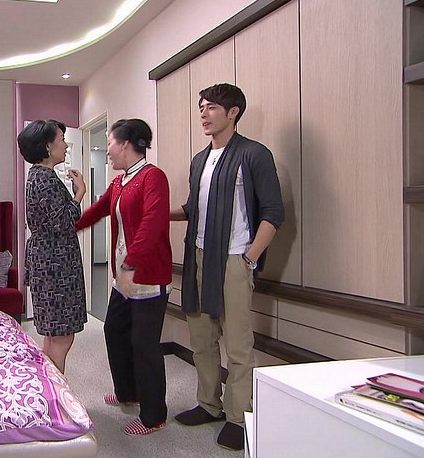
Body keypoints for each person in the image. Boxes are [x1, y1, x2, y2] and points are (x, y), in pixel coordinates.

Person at [171, 83, 284, 451]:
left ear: (233, 112)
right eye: (201, 107)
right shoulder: (199, 160)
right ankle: (209, 404)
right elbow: (193, 209)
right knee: (201, 337)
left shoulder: (254, 154)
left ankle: (238, 416)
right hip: (199, 255)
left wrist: (250, 257)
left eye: (212, 107)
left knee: (237, 344)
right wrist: (157, 214)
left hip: (235, 258)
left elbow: (273, 213)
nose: (203, 114)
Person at [75, 118, 171, 436]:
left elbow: (152, 224)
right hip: (124, 278)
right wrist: (70, 227)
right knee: (114, 330)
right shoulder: (119, 182)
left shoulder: (153, 177)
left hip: (148, 276)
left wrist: (130, 265)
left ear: (125, 144)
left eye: (110, 144)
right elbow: (99, 210)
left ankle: (154, 415)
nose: (108, 151)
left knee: (144, 344)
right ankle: (128, 392)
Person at [19, 119, 87, 374]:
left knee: (53, 335)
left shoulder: (37, 175)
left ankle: (47, 388)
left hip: (48, 260)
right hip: (55, 264)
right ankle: (56, 393)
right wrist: (79, 193)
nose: (66, 145)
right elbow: (64, 221)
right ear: (48, 146)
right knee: (62, 336)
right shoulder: (45, 178)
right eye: (61, 139)